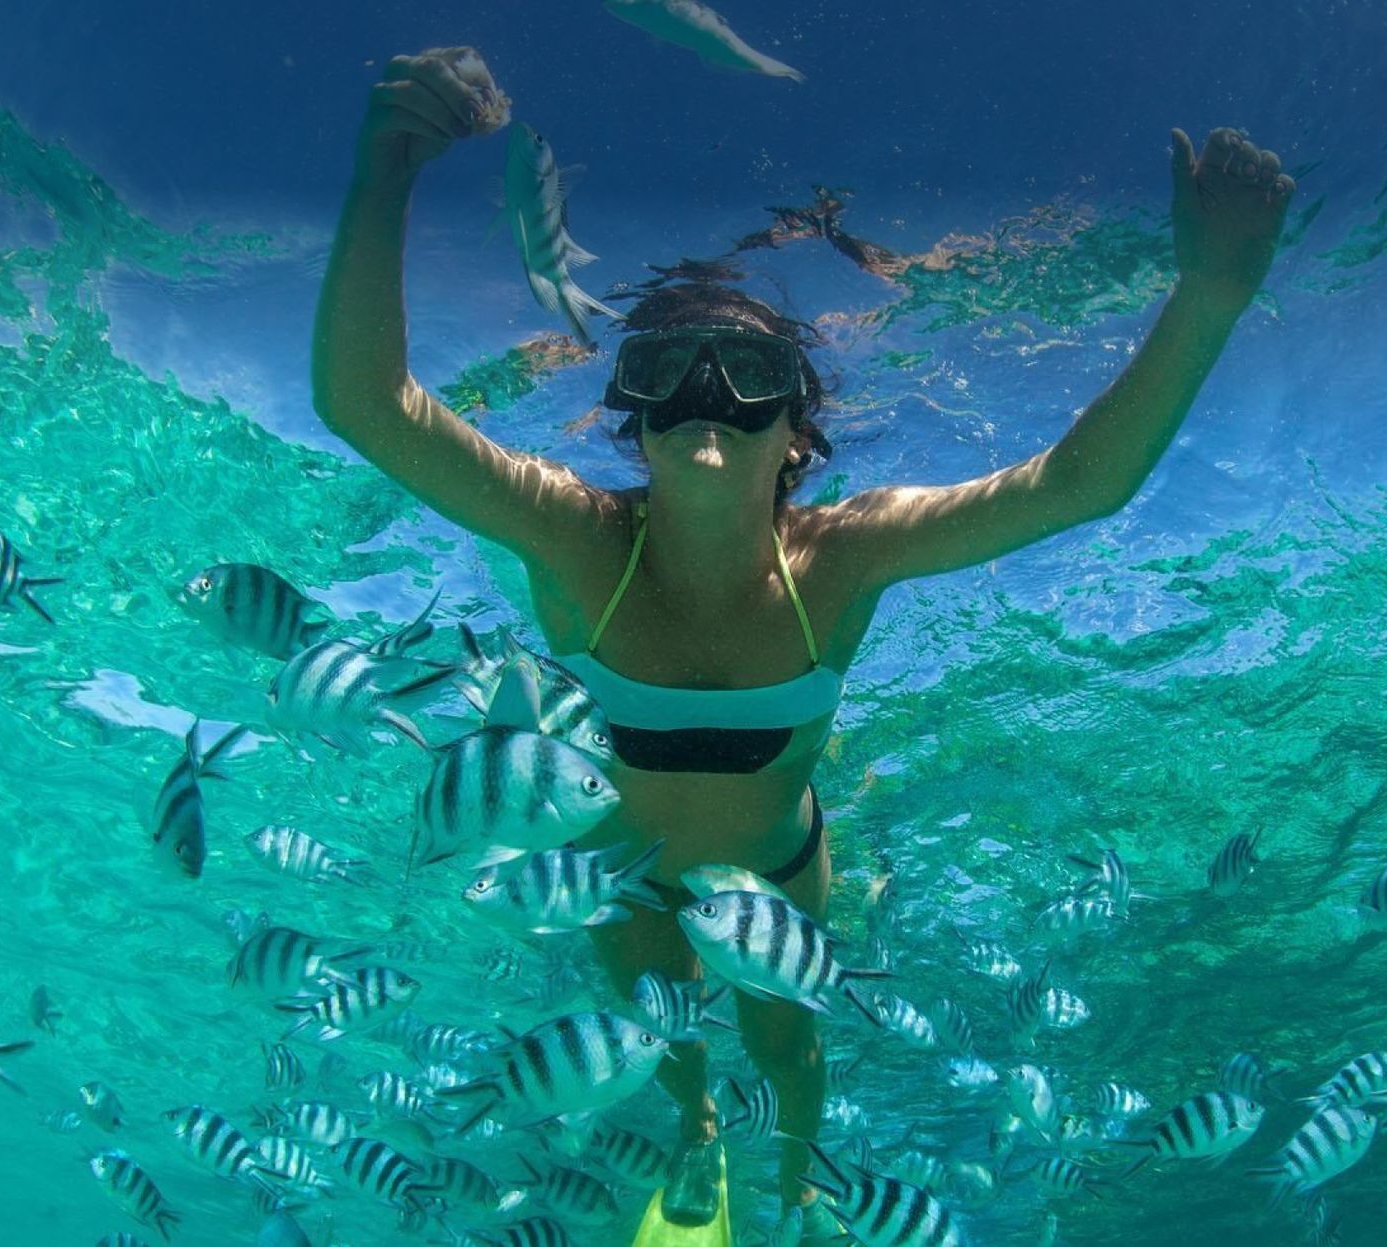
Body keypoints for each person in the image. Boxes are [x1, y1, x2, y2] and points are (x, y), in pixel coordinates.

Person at [313, 45, 1293, 1244]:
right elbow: (367, 405)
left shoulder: (847, 555)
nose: (707, 400)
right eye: (666, 373)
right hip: (617, 877)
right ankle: (690, 1135)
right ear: (633, 418)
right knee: (660, 1041)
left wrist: (1211, 294)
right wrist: (385, 169)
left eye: (751, 376)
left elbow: (1077, 484)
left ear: (796, 429)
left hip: (783, 874)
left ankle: (801, 1176)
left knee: (785, 1040)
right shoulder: (573, 538)